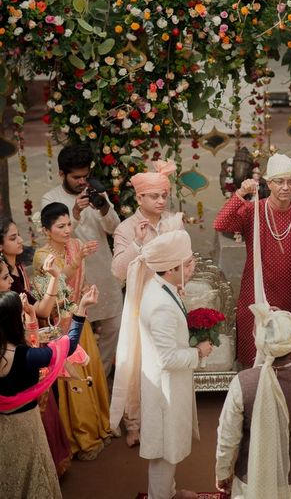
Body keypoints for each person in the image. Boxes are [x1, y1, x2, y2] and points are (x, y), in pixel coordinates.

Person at [214, 153, 291, 367]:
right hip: (257, 298)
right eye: (279, 181)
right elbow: (221, 223)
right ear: (269, 182)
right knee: (256, 358)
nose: (285, 187)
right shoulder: (253, 210)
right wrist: (241, 193)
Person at [215, 305, 291, 499]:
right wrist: (281, 324)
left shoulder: (243, 383)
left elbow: (227, 437)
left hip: (253, 483)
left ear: (260, 343)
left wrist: (223, 472)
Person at [110, 158, 183, 447]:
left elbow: (182, 262)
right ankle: (135, 424)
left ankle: (169, 415)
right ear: (139, 198)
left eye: (165, 195)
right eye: (154, 196)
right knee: (138, 363)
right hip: (140, 303)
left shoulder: (172, 222)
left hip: (169, 299)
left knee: (169, 356)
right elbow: (117, 271)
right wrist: (137, 245)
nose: (161, 200)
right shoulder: (126, 229)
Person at [0, 285, 98, 499]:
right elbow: (68, 347)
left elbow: (30, 345)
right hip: (26, 427)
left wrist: (31, 315)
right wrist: (81, 308)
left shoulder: (11, 353)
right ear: (13, 321)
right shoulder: (23, 356)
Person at [32, 202, 112, 460]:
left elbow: (79, 281)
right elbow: (58, 284)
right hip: (58, 327)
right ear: (46, 230)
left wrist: (87, 291)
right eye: (60, 226)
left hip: (79, 316)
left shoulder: (75, 245)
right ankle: (82, 437)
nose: (68, 230)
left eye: (69, 224)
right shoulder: (42, 257)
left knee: (92, 370)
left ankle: (100, 425)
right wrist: (76, 262)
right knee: (74, 380)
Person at [138, 229, 213, 499]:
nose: (193, 267)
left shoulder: (160, 286)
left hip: (165, 383)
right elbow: (167, 358)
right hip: (165, 388)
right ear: (170, 268)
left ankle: (167, 492)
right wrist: (199, 352)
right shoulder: (160, 305)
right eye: (188, 263)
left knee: (165, 450)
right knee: (165, 452)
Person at [41, 143, 123, 377]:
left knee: (114, 328)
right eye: (76, 177)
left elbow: (115, 228)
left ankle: (101, 378)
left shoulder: (96, 191)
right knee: (79, 335)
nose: (81, 182)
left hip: (104, 273)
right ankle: (84, 390)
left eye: (85, 176)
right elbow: (54, 237)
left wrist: (105, 207)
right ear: (62, 174)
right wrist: (75, 213)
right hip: (73, 277)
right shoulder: (50, 199)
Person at [0, 222, 71, 476]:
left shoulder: (19, 270)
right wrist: (79, 319)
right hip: (17, 365)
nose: (20, 241)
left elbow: (38, 311)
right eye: (13, 237)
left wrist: (53, 278)